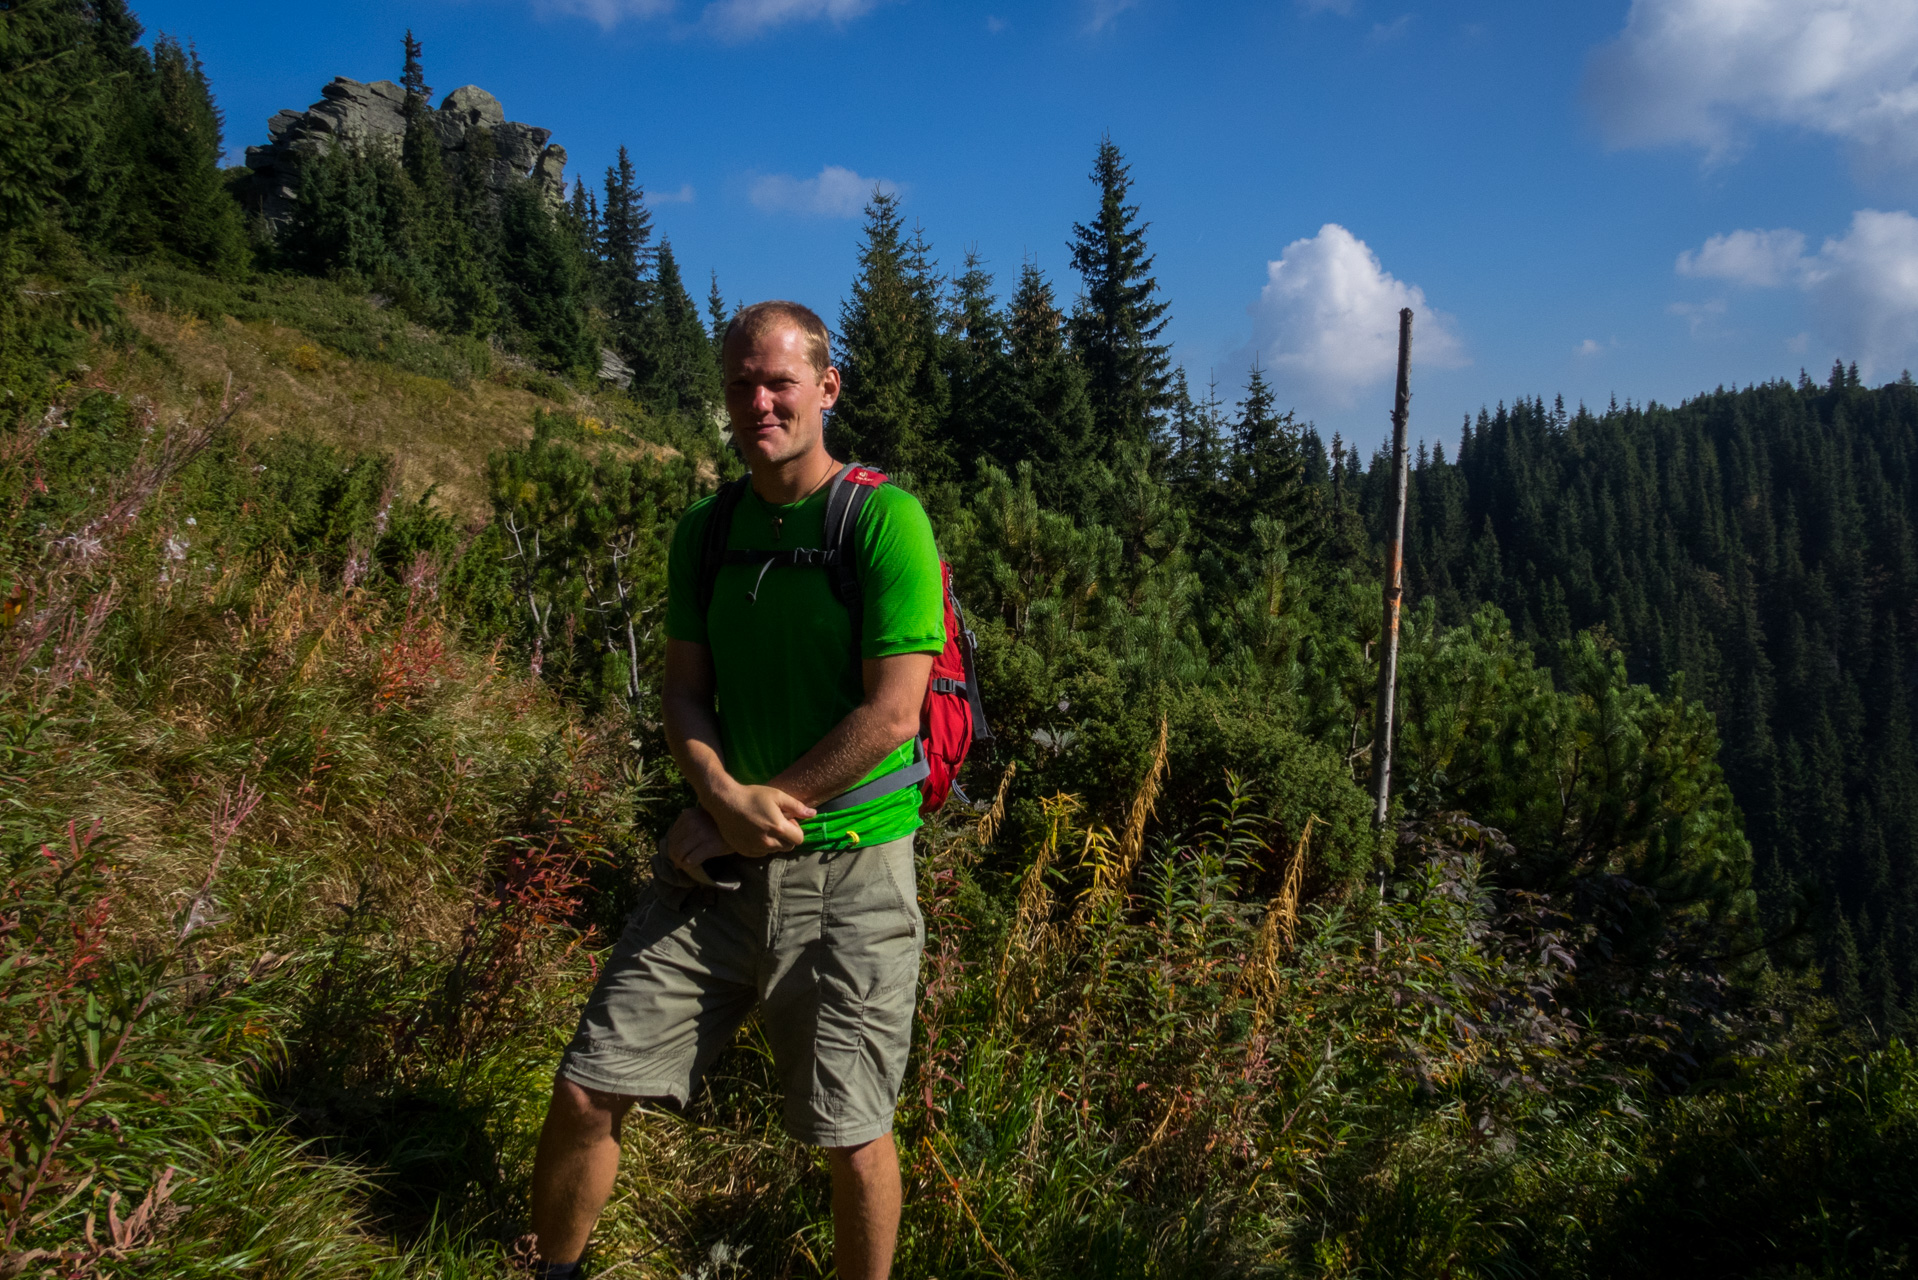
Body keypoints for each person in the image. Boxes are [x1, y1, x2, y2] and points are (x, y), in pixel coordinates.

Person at [524, 301, 944, 1280]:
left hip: (852, 876)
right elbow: (683, 690)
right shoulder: (707, 532)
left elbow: (891, 714)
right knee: (589, 1084)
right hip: (714, 866)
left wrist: (761, 808)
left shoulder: (885, 522)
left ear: (826, 388)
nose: (759, 400)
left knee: (853, 1131)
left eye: (780, 381)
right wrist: (718, 792)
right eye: (741, 384)